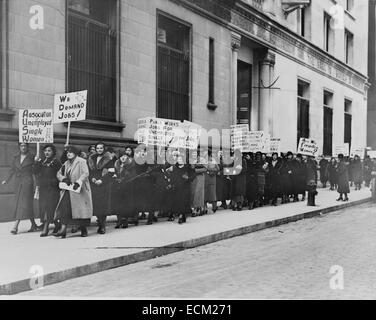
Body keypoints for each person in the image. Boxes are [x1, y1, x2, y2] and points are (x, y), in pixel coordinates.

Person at [1, 143, 42, 234]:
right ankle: (33, 224)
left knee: (22, 203)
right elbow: (12, 170)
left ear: (28, 147)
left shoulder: (32, 157)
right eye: (22, 146)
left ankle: (15, 226)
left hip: (27, 182)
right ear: (19, 147)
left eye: (25, 146)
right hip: (18, 182)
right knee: (26, 204)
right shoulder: (16, 157)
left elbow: (36, 171)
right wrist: (6, 180)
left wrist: (36, 162)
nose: (23, 147)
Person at [54, 146, 93, 238]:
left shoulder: (81, 161)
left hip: (80, 190)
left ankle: (83, 229)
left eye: (71, 152)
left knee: (80, 210)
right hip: (68, 189)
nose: (68, 154)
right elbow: (58, 173)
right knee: (65, 208)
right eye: (67, 152)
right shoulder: (66, 163)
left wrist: (78, 182)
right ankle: (63, 230)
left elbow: (85, 173)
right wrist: (63, 179)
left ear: (75, 153)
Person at [33, 144, 62, 237]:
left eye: (49, 151)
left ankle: (46, 228)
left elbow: (61, 173)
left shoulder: (56, 162)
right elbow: (35, 172)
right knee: (43, 207)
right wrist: (36, 162)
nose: (47, 152)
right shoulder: (42, 161)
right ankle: (57, 225)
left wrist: (55, 181)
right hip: (43, 188)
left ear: (53, 152)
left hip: (53, 188)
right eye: (45, 151)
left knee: (49, 207)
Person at [88, 142, 114, 234]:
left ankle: (102, 226)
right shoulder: (92, 158)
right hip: (94, 185)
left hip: (104, 185)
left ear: (104, 149)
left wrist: (102, 180)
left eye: (101, 148)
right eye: (97, 148)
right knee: (96, 205)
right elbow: (90, 172)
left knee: (103, 205)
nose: (99, 150)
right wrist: (92, 179)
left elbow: (111, 172)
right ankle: (100, 223)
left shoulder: (109, 159)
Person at [171, 153, 194, 224]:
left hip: (185, 188)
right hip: (177, 188)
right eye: (178, 159)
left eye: (181, 159)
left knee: (184, 202)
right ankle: (182, 215)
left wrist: (188, 178)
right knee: (179, 202)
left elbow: (193, 175)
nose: (179, 160)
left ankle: (181, 216)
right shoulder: (175, 168)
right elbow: (173, 177)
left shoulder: (187, 167)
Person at [190, 150, 206, 216]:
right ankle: (193, 208)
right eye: (193, 153)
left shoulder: (202, 160)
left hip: (200, 178)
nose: (194, 154)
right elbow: (190, 169)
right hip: (193, 178)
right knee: (193, 193)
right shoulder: (190, 160)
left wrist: (196, 170)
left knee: (199, 193)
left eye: (195, 153)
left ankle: (198, 208)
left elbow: (205, 168)